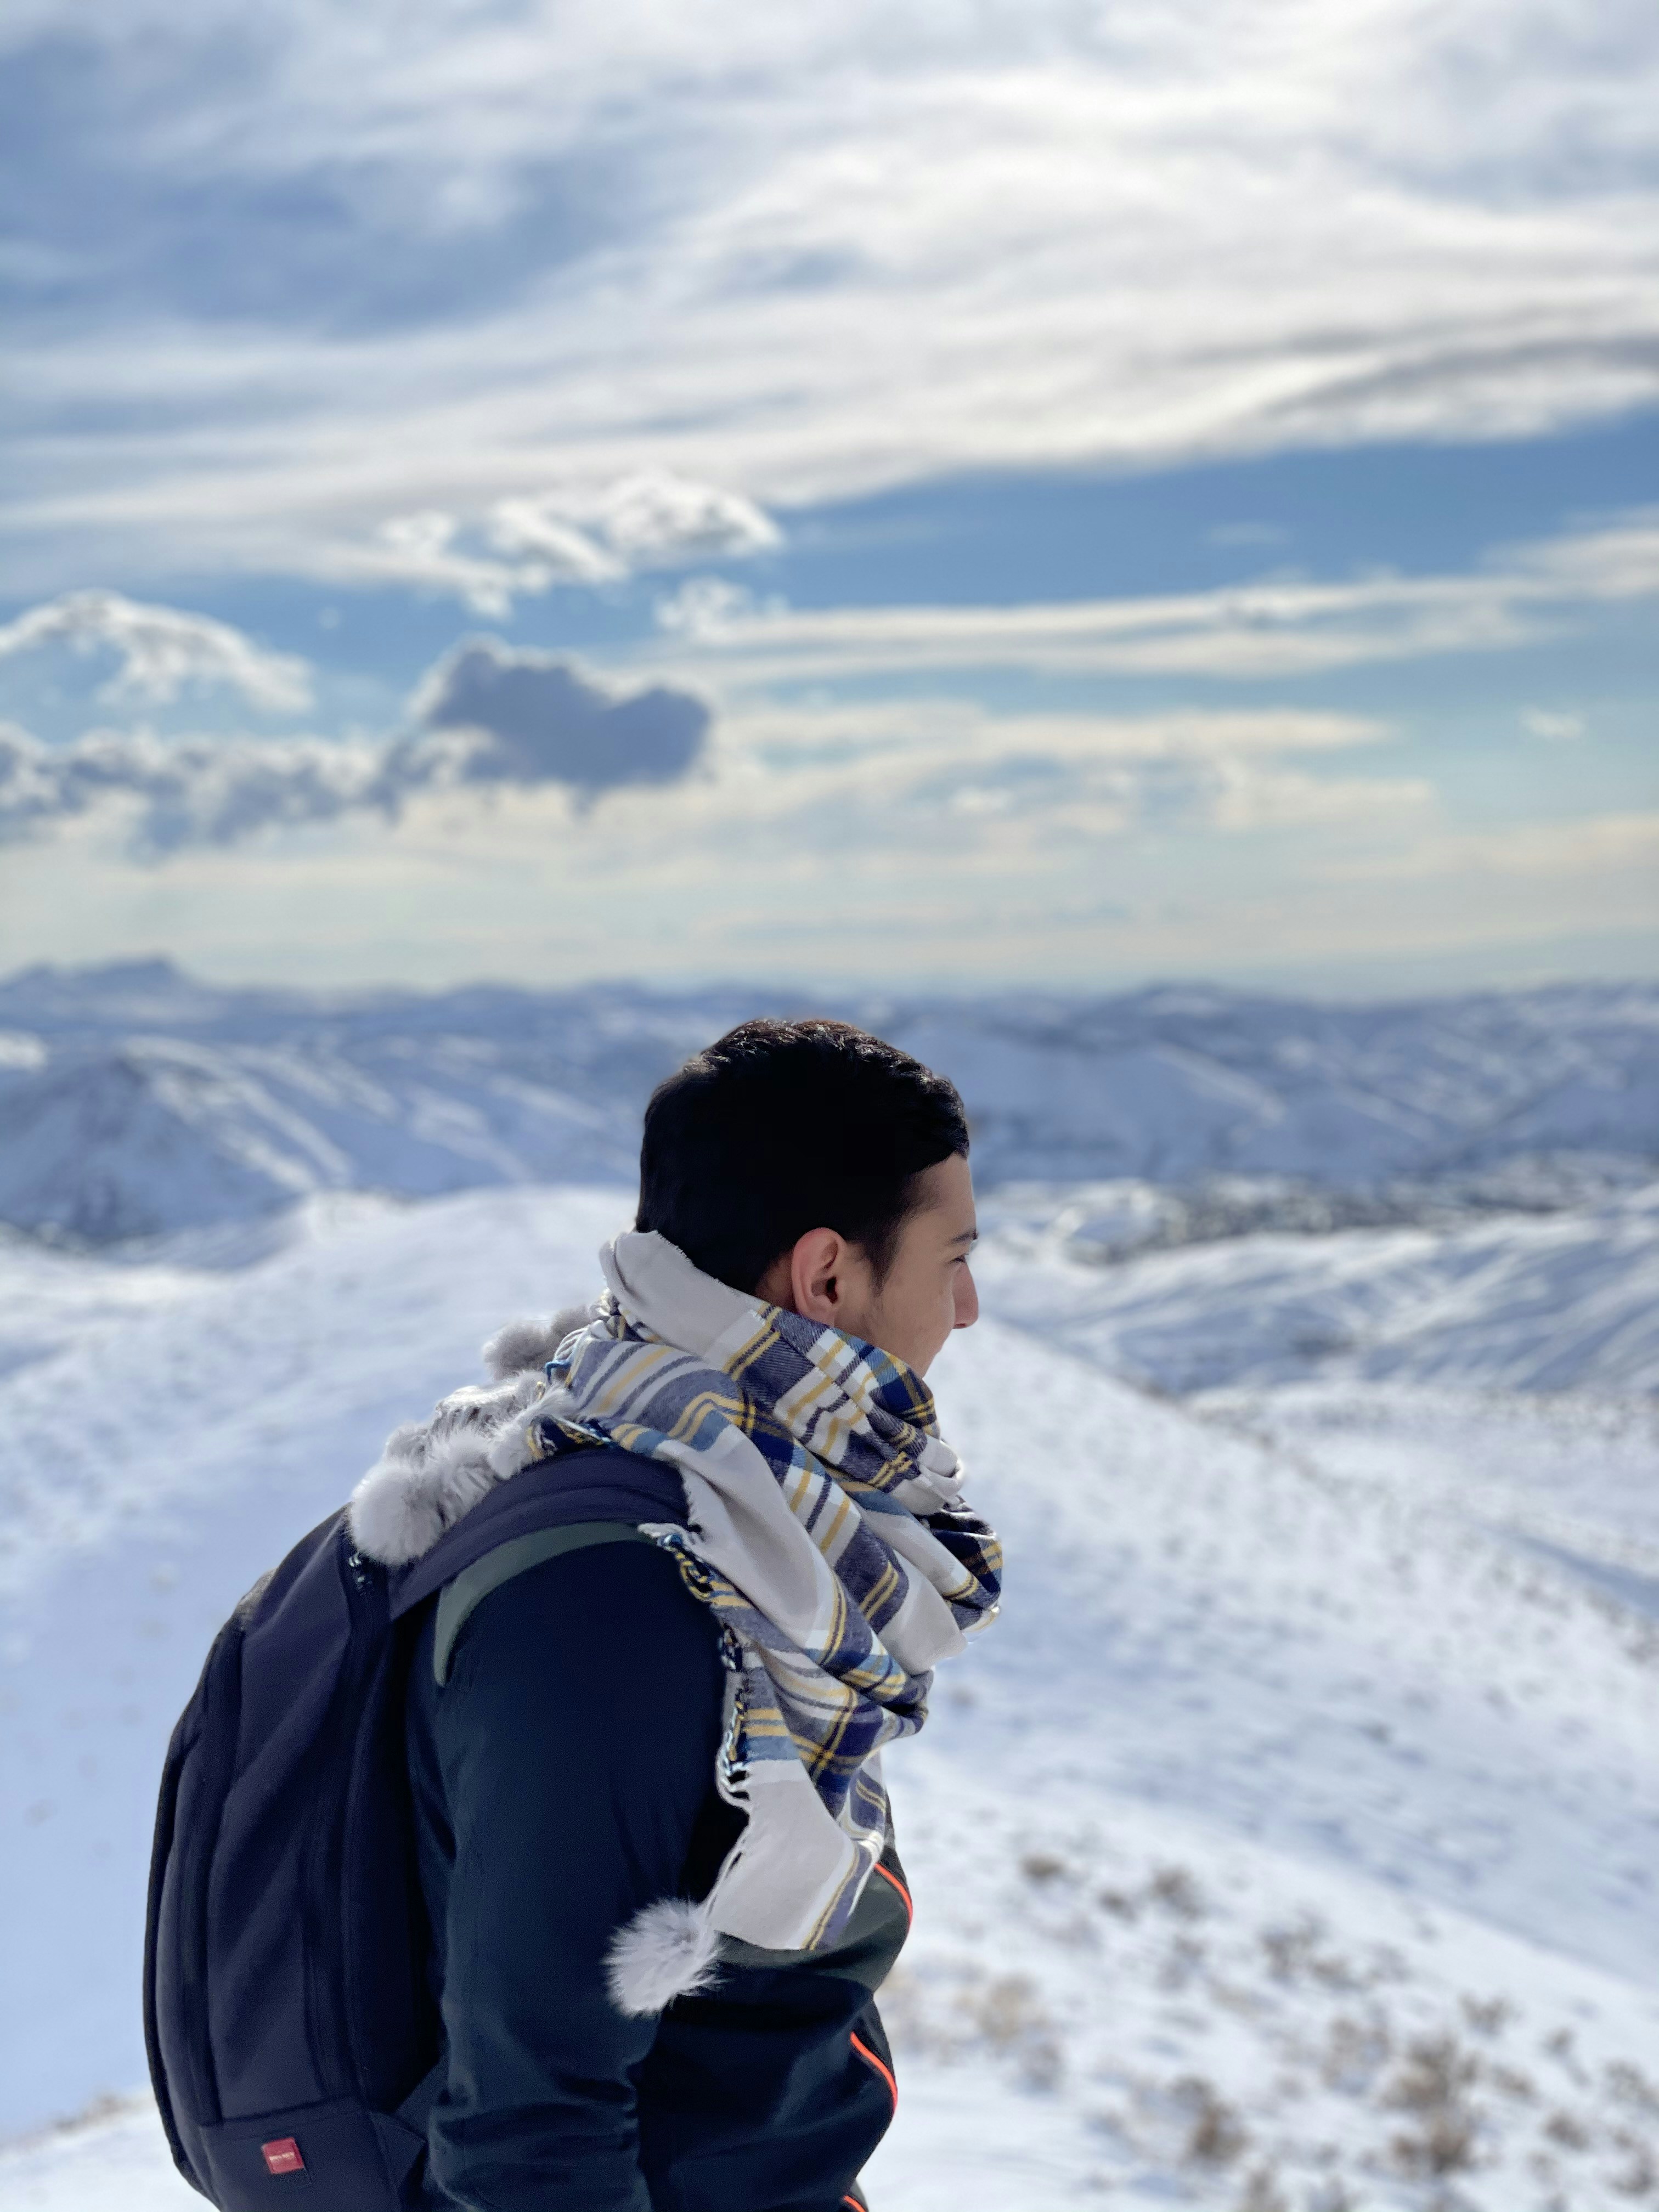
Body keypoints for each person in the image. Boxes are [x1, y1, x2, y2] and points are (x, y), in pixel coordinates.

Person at [350, 1017, 1002, 2212]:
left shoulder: (741, 1513)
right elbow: (527, 2132)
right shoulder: (616, 1602)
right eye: (950, 1257)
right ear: (827, 1277)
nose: (966, 1307)